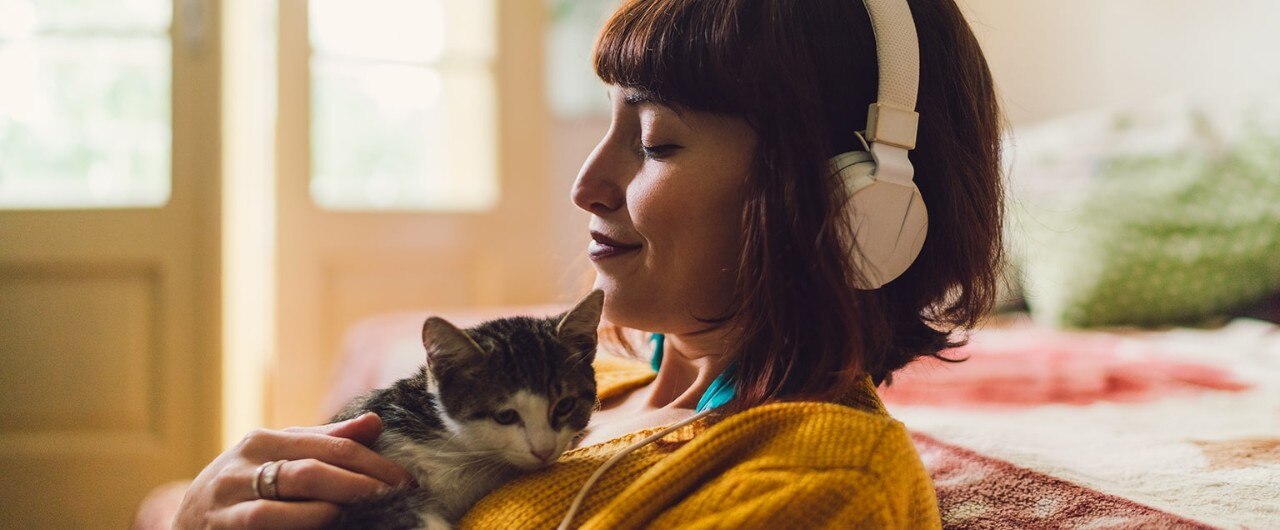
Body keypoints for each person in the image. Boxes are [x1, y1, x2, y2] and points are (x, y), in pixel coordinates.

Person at [173, 0, 1001, 527]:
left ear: (850, 204)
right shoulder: (597, 389)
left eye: (654, 141)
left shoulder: (820, 480)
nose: (585, 185)